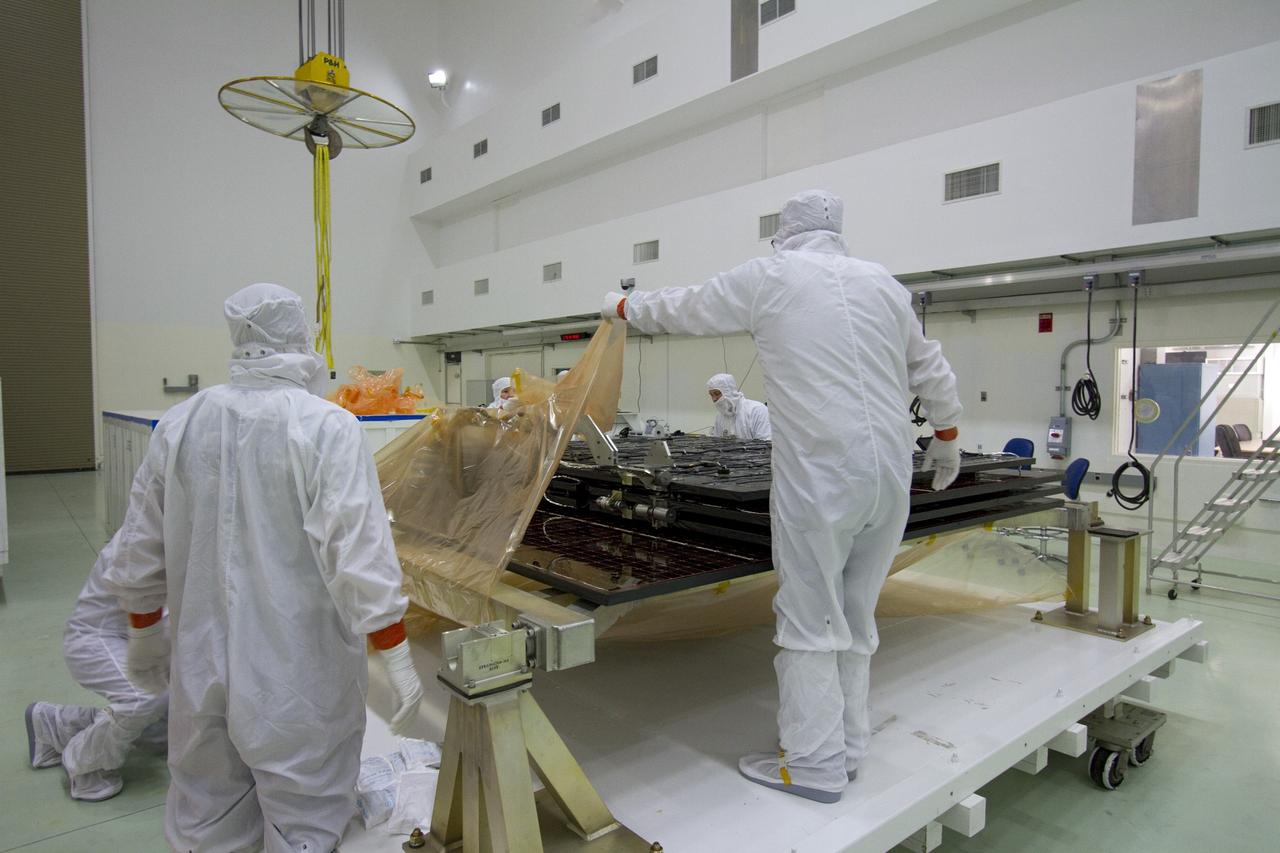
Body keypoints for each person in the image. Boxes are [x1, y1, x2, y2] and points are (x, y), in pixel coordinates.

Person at [601, 190, 962, 803]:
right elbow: (931, 369)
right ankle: (847, 749)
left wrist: (621, 306)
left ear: (784, 233)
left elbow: (685, 308)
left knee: (811, 619)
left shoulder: (770, 275)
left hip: (822, 475)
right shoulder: (882, 284)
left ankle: (812, 766)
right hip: (892, 471)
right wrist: (947, 439)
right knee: (855, 615)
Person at [102, 283, 426, 852]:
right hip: (297, 676)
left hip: (200, 662)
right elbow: (359, 553)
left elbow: (140, 542)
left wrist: (145, 630)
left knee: (204, 812)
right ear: (300, 337)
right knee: (306, 819)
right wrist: (396, 652)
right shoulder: (327, 427)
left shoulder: (180, 424)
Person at [24, 533, 168, 802]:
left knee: (172, 728)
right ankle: (84, 762)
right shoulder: (147, 535)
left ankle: (56, 724)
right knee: (146, 697)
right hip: (97, 639)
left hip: (142, 635)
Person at [706, 373, 771, 440]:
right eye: (711, 395)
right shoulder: (720, 416)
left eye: (717, 393)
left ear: (728, 391)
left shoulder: (757, 411)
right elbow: (717, 442)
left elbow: (766, 443)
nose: (714, 399)